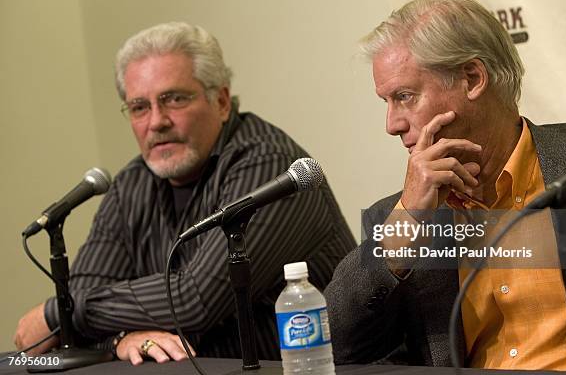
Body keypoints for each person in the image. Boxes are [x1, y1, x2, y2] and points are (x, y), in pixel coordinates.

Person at [14, 22, 355, 365]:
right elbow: (82, 301)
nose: (157, 121)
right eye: (139, 107)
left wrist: (60, 312)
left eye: (174, 99)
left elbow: (197, 299)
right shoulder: (132, 184)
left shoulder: (269, 164)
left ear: (221, 101)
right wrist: (123, 337)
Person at [325, 0, 566, 371]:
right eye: (387, 102)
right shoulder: (400, 218)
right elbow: (334, 347)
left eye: (405, 96)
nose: (392, 124)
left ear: (473, 78)